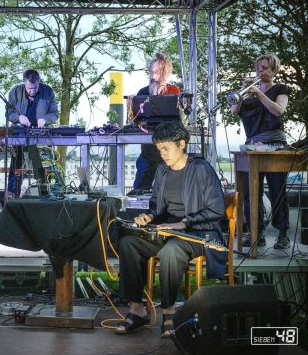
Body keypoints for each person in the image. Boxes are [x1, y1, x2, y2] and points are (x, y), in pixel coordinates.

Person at [115, 122, 225, 337]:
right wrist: (150, 216)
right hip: (167, 231)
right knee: (128, 243)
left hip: (199, 233)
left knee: (171, 251)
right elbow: (157, 204)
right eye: (159, 150)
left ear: (181, 144)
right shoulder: (162, 170)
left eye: (166, 149)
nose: (162, 154)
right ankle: (137, 309)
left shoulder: (201, 169)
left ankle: (168, 312)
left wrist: (183, 222)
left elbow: (216, 209)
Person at [229, 54, 290, 250]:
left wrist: (259, 94)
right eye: (259, 68)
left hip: (274, 144)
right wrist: (243, 91)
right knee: (249, 192)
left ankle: (282, 233)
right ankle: (256, 233)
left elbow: (279, 111)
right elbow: (233, 110)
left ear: (274, 71)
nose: (261, 72)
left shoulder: (280, 89)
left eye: (265, 68)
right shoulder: (250, 93)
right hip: (252, 145)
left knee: (276, 191)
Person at [131, 52, 181, 192]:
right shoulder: (143, 92)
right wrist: (151, 96)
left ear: (165, 73)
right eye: (151, 72)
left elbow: (173, 121)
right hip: (148, 152)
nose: (153, 77)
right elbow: (135, 120)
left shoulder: (173, 91)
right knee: (139, 187)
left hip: (167, 153)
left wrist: (158, 97)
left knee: (167, 190)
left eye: (157, 73)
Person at [6, 69, 59, 197]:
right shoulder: (15, 92)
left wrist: (45, 119)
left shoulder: (48, 91)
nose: (32, 91)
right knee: (16, 165)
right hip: (20, 134)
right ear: (24, 83)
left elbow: (55, 114)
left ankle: (46, 194)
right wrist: (18, 118)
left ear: (39, 83)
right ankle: (12, 193)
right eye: (29, 88)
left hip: (41, 135)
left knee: (43, 168)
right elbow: (9, 113)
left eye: (35, 88)